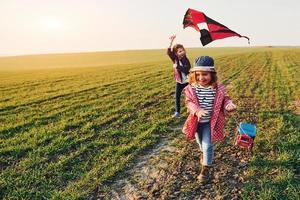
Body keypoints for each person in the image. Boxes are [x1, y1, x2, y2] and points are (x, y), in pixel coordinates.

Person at [182, 56, 237, 183]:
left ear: (212, 74)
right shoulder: (192, 88)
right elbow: (188, 102)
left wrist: (229, 104)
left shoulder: (217, 88)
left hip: (209, 122)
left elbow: (225, 99)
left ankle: (206, 168)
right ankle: (204, 154)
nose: (201, 78)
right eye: (198, 75)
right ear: (194, 75)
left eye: (205, 74)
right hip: (196, 122)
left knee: (207, 145)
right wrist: (197, 110)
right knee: (200, 143)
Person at [167, 35, 191, 118]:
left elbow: (186, 69)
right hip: (179, 82)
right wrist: (171, 42)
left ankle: (191, 109)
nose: (182, 52)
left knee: (190, 96)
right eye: (180, 51)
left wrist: (177, 66)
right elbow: (169, 52)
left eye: (182, 50)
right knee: (177, 96)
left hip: (187, 82)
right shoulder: (175, 59)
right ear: (176, 53)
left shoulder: (186, 59)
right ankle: (177, 112)